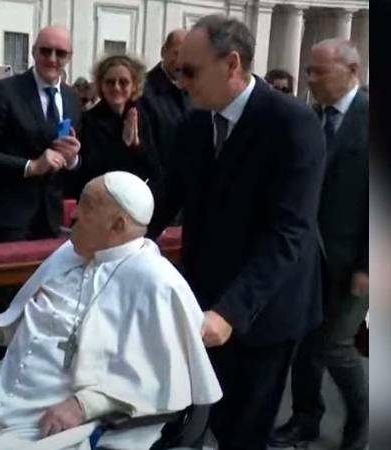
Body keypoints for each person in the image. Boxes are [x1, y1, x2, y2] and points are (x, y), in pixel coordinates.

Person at [0, 171, 223, 450]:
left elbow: (162, 377)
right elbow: (24, 328)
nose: (74, 214)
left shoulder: (156, 281)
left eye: (86, 206)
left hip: (57, 415)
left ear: (118, 225)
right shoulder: (68, 253)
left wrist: (84, 405)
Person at [147, 15, 325, 450]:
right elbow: (167, 199)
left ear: (231, 64)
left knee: (245, 432)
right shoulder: (193, 123)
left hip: (264, 310)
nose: (181, 83)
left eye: (189, 71)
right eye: (176, 72)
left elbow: (289, 233)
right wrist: (123, 237)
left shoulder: (292, 124)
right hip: (203, 300)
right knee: (203, 419)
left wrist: (231, 312)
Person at [270, 37, 369, 450]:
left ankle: (362, 425)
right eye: (307, 71)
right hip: (308, 259)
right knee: (306, 343)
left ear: (351, 71)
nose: (309, 79)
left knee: (338, 347)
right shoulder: (311, 118)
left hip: (353, 263)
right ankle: (305, 420)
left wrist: (369, 263)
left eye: (318, 71)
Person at [0, 25, 83, 313]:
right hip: (9, 213)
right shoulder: (6, 91)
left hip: (49, 216)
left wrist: (73, 159)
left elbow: (75, 158)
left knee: (44, 295)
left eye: (60, 53)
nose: (52, 58)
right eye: (46, 51)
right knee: (8, 300)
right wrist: (31, 166)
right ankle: (1, 356)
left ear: (69, 57)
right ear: (33, 52)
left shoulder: (72, 98)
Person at [69, 55, 162, 200]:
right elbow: (91, 171)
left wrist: (136, 145)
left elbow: (154, 169)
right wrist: (122, 145)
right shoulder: (88, 120)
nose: (116, 87)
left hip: (132, 201)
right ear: (101, 85)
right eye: (110, 82)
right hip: (99, 201)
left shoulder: (142, 118)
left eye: (123, 82)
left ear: (134, 86)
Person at [137, 28, 191, 173]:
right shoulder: (142, 91)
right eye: (177, 53)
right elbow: (147, 150)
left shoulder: (196, 90)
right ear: (163, 52)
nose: (182, 61)